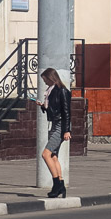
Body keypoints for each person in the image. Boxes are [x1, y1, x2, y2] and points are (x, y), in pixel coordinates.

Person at [37, 68, 71, 198]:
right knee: (53, 156)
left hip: (60, 126)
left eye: (45, 79)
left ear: (51, 77)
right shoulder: (51, 91)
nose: (44, 82)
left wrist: (67, 130)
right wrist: (42, 106)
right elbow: (54, 109)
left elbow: (67, 112)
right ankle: (60, 185)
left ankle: (56, 185)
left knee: (46, 154)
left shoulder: (62, 91)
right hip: (54, 124)